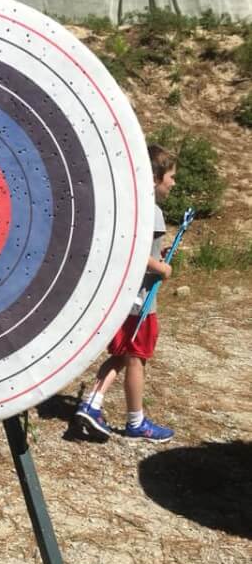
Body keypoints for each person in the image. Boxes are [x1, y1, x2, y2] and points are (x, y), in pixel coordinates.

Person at [75, 144, 177, 442]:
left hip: (124, 298)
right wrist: (162, 268)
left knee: (123, 355)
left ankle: (91, 403)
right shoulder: (152, 212)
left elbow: (140, 248)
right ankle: (136, 421)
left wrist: (161, 254)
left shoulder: (129, 207)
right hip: (141, 300)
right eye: (171, 176)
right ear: (156, 177)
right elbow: (133, 252)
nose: (173, 182)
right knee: (136, 358)